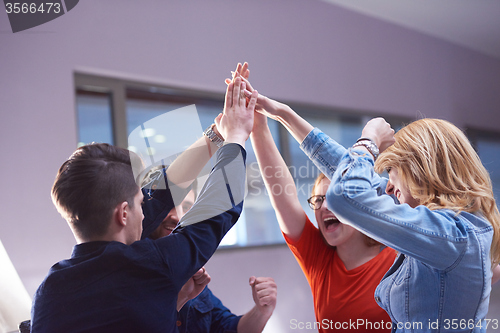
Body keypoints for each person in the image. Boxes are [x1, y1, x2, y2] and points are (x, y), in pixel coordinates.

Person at [237, 64, 499, 332]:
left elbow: (347, 194)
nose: (387, 187)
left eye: (392, 173)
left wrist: (369, 138)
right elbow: (342, 175)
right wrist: (283, 115)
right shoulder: (441, 228)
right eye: (317, 200)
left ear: (420, 173)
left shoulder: (450, 234)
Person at [30, 76, 258, 333]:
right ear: (123, 213)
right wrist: (237, 135)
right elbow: (218, 209)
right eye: (140, 203)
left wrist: (216, 136)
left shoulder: (49, 289)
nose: (146, 211)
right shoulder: (149, 267)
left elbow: (161, 195)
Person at [229, 63, 396, 332]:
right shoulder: (319, 258)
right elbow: (280, 188)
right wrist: (258, 125)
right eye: (317, 200)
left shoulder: (396, 248)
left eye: (333, 196)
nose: (323, 206)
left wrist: (282, 113)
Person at [144, 184, 277, 333]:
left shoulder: (190, 271)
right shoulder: (128, 267)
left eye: (187, 207)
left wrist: (261, 311)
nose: (177, 217)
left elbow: (229, 328)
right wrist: (181, 298)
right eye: (169, 204)